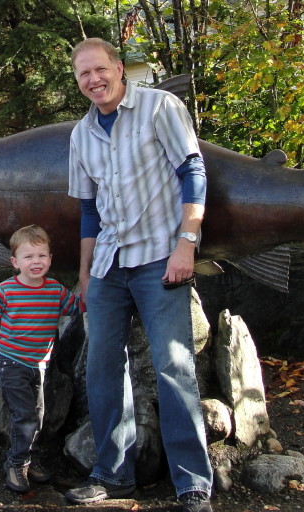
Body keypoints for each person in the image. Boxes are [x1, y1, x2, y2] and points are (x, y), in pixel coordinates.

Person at [65, 38, 214, 512]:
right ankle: (113, 474)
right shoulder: (82, 134)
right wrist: (86, 275)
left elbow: (193, 171)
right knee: (102, 369)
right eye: (83, 74)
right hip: (109, 265)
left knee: (174, 367)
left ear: (119, 68)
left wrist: (186, 244)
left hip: (160, 259)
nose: (94, 80)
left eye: (100, 69)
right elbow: (89, 211)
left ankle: (192, 482)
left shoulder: (159, 107)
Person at [0, 224, 81, 494]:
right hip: (12, 362)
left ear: (50, 258)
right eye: (28, 257)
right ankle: (15, 464)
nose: (36, 262)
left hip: (40, 364)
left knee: (37, 415)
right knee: (24, 416)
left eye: (42, 256)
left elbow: (75, 307)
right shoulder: (4, 292)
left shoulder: (54, 290)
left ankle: (28, 458)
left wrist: (93, 286)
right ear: (15, 262)